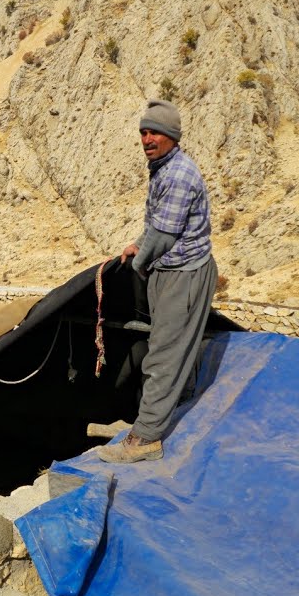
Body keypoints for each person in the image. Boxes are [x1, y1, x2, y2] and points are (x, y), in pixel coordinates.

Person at [100, 99, 218, 464]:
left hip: (183, 275)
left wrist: (139, 263)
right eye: (144, 132)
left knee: (163, 356)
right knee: (169, 348)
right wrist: (138, 243)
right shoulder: (162, 169)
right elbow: (155, 223)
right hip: (170, 271)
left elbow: (164, 234)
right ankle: (159, 416)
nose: (147, 139)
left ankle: (147, 438)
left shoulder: (179, 175)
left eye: (155, 133)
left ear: (172, 136)